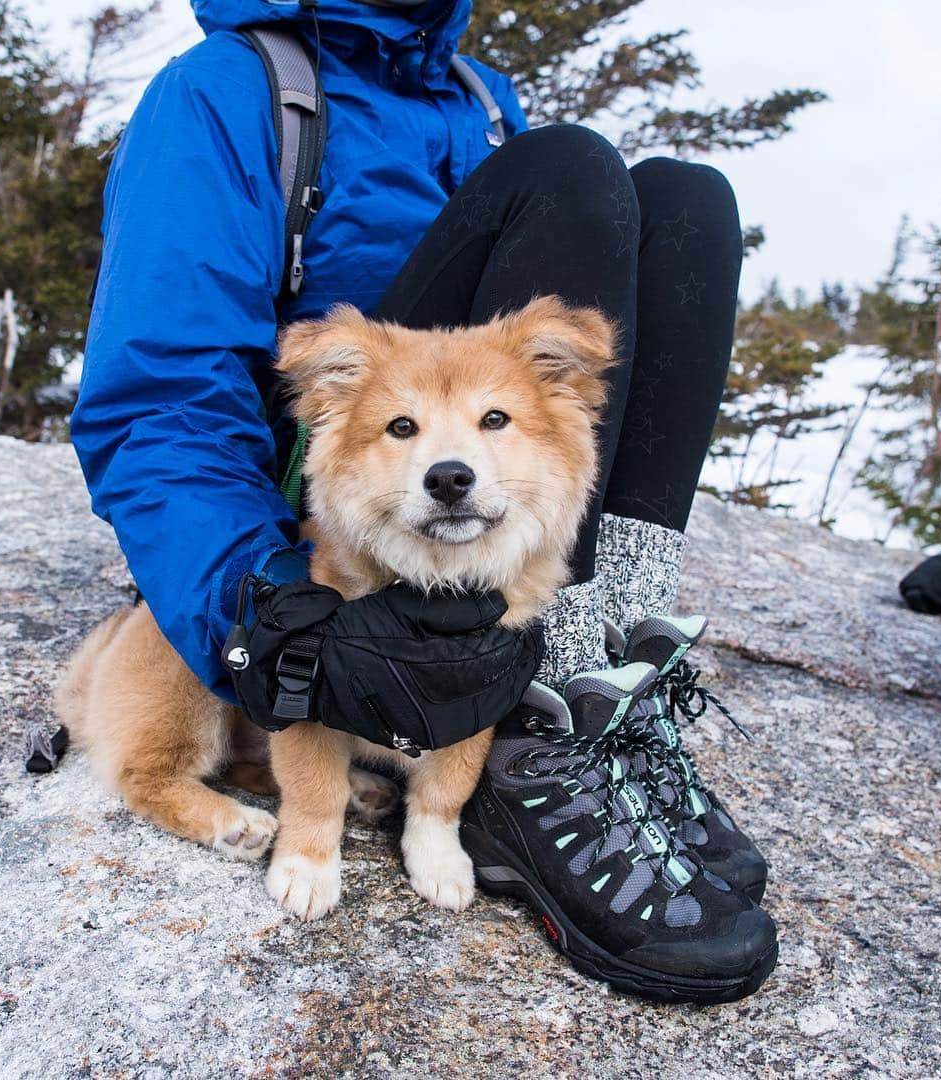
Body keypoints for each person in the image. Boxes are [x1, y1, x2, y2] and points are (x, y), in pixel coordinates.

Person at [73, 0, 777, 1001]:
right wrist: (269, 614)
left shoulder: (484, 99)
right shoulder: (232, 90)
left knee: (684, 201)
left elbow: (547, 410)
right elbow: (163, 399)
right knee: (568, 170)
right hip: (336, 500)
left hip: (471, 494)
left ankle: (592, 669)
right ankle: (526, 738)